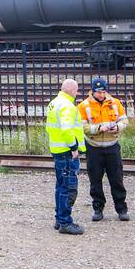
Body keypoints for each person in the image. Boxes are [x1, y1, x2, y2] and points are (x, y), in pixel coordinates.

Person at [77, 78, 130, 222]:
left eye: (103, 91)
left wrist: (118, 127)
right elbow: (82, 127)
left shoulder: (115, 103)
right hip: (94, 148)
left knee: (117, 179)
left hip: (112, 146)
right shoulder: (83, 106)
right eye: (99, 92)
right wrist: (98, 128)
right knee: (95, 180)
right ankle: (98, 208)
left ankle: (122, 209)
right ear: (92, 91)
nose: (101, 94)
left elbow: (124, 120)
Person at [46, 79, 86, 235]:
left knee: (60, 186)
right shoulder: (67, 106)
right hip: (67, 151)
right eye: (76, 90)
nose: (77, 93)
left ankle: (59, 218)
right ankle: (65, 222)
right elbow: (67, 129)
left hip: (57, 150)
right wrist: (74, 147)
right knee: (68, 187)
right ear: (71, 90)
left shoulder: (54, 102)